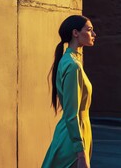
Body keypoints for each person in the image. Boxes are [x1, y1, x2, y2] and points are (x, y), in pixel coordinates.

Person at [41, 15, 96, 168]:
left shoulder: (69, 61)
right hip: (73, 140)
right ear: (75, 33)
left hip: (75, 134)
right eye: (89, 30)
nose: (94, 34)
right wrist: (80, 152)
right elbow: (72, 115)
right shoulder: (73, 66)